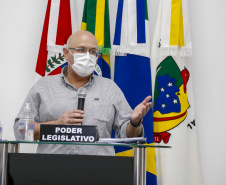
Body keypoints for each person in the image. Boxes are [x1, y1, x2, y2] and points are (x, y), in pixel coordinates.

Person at [14, 30, 152, 156]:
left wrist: (134, 123)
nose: (87, 56)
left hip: (98, 172)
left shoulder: (110, 88)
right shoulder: (43, 86)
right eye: (81, 50)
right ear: (66, 53)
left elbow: (129, 138)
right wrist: (56, 124)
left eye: (92, 52)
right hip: (51, 172)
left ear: (97, 58)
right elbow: (20, 131)